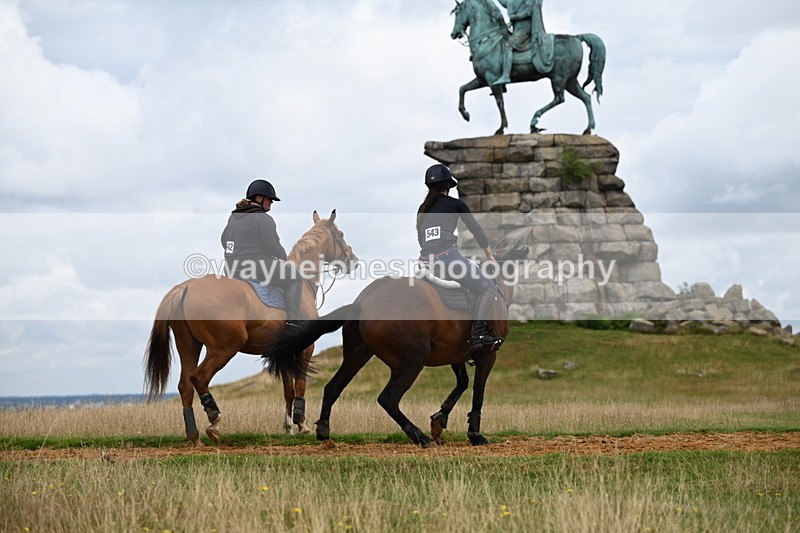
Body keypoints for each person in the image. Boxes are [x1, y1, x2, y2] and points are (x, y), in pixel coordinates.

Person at [417, 164, 505, 349]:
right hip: (448, 259)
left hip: (424, 262)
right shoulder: (455, 204)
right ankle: (478, 335)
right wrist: (489, 255)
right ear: (448, 185)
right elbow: (476, 229)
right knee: (489, 288)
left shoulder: (422, 209)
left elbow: (421, 239)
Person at [220, 179, 305, 324]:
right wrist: (284, 257)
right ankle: (293, 322)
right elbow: (273, 247)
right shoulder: (263, 218)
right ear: (259, 198)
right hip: (257, 267)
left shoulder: (233, 218)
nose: (271, 203)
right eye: (269, 199)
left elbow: (224, 241)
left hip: (231, 269)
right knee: (295, 277)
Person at [496, 0, 554, 84]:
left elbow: (528, 12)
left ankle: (506, 76)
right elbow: (505, 3)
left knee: (508, 45)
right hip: (517, 31)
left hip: (525, 30)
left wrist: (515, 17)